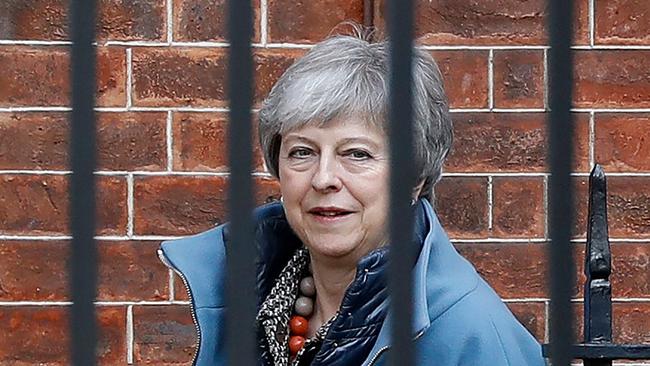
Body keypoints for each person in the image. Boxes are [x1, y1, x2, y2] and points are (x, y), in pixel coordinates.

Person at [158, 33, 546, 366]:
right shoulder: (242, 299)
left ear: (415, 179)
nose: (324, 178)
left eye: (357, 154)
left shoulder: (471, 336)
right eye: (302, 152)